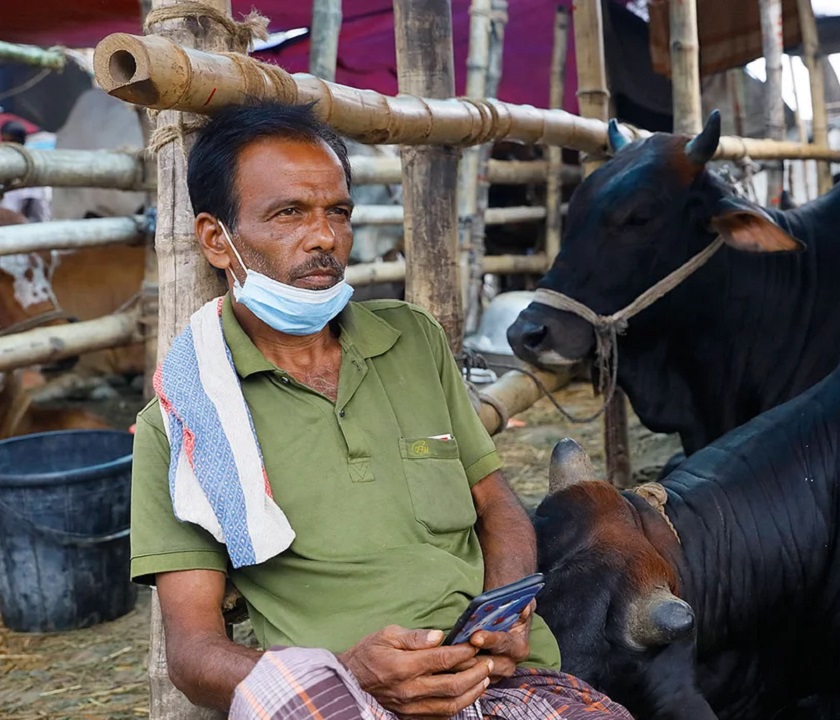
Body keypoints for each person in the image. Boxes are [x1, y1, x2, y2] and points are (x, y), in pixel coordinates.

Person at [130, 100, 633, 720]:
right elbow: (193, 653)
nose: (323, 238)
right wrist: (350, 673)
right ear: (217, 238)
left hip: (501, 683)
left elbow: (496, 501)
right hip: (339, 700)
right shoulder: (185, 420)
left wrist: (507, 608)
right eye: (288, 213)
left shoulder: (412, 340)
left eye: (337, 212)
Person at [0, 120, 52, 223]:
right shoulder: (3, 164)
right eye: (4, 139)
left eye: (10, 140)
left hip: (19, 227)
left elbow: (39, 213)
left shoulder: (31, 170)